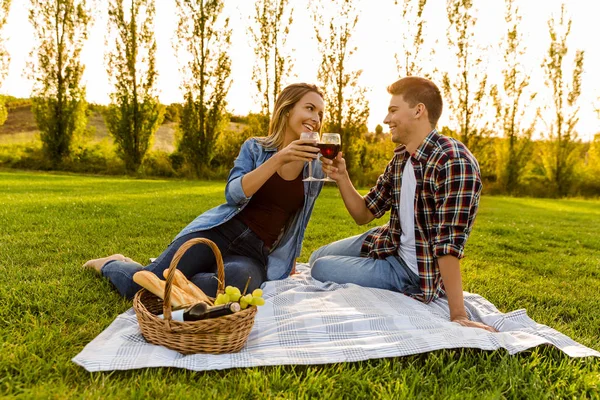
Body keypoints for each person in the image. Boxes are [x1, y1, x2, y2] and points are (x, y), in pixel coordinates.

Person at [83, 83, 326, 299]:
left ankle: (177, 275)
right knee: (145, 290)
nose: (316, 117)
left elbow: (300, 221)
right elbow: (234, 194)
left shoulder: (314, 168)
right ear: (286, 110)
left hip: (253, 254)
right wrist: (279, 159)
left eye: (320, 113)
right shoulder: (255, 148)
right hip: (218, 232)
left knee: (230, 288)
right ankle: (111, 264)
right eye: (310, 108)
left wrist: (289, 257)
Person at [310, 76, 495, 332]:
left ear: (419, 110)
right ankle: (375, 261)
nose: (386, 120)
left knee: (320, 268)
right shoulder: (401, 158)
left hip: (412, 272)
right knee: (315, 256)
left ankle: (391, 276)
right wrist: (342, 176)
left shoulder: (453, 161)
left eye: (393, 110)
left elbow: (447, 245)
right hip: (389, 242)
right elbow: (364, 214)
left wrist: (458, 315)